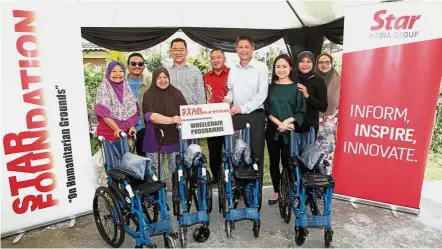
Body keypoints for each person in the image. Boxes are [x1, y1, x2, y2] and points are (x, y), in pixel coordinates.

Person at [223, 35, 268, 181]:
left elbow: (262, 95)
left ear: (252, 49)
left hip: (255, 116)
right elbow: (231, 90)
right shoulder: (233, 69)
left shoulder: (261, 68)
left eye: (246, 47)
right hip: (237, 117)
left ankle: (256, 195)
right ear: (236, 49)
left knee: (256, 154)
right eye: (240, 47)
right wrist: (227, 99)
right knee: (238, 152)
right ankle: (240, 189)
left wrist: (243, 108)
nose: (243, 50)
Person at [265, 54, 306, 205]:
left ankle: (289, 190)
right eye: (278, 66)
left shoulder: (297, 88)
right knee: (274, 162)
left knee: (288, 162)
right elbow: (267, 109)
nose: (281, 69)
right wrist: (279, 123)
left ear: (290, 68)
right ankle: (277, 191)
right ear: (274, 69)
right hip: (272, 130)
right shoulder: (270, 88)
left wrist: (287, 122)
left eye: (284, 66)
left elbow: (300, 110)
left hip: (290, 131)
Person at [142, 67, 187, 189]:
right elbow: (150, 116)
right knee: (157, 172)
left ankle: (177, 196)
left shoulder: (176, 93)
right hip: (155, 138)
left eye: (165, 77)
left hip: (173, 137)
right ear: (154, 79)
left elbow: (185, 111)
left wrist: (181, 119)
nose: (163, 80)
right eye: (159, 78)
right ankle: (159, 197)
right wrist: (171, 119)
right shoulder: (148, 95)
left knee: (176, 171)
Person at [203, 48, 230, 183]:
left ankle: (231, 176)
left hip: (230, 118)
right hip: (212, 119)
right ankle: (217, 176)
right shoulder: (206, 76)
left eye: (218, 57)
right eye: (213, 58)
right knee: (214, 151)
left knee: (231, 149)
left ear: (224, 59)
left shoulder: (232, 74)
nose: (216, 60)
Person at [95, 61, 139, 141]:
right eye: (114, 71)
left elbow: (132, 110)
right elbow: (104, 113)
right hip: (108, 132)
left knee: (126, 153)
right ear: (108, 73)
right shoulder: (104, 87)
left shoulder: (126, 86)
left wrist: (132, 127)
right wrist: (116, 129)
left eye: (121, 71)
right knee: (111, 153)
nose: (118, 74)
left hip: (125, 133)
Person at [314, 52, 341, 174]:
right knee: (312, 151)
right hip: (312, 120)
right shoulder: (311, 78)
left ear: (331, 64)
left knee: (328, 153)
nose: (324, 65)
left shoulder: (339, 80)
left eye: (327, 62)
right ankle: (311, 180)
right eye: (321, 62)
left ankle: (325, 180)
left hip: (330, 122)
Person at [295, 51, 328, 139]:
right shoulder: (291, 78)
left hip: (309, 127)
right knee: (290, 153)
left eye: (308, 61)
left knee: (307, 153)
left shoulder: (319, 81)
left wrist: (307, 95)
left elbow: (323, 106)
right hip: (291, 126)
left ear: (313, 63)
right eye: (302, 61)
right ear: (297, 63)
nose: (305, 64)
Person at [126, 53, 151, 156]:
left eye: (140, 64)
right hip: (124, 128)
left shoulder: (150, 84)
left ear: (143, 67)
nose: (137, 66)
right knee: (125, 162)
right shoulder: (120, 83)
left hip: (143, 127)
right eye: (133, 63)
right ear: (128, 66)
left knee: (143, 160)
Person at [169, 38, 206, 105]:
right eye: (175, 50)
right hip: (171, 113)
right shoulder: (166, 71)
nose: (178, 52)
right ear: (170, 52)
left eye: (181, 50)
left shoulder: (195, 70)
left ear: (186, 52)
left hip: (191, 112)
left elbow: (201, 96)